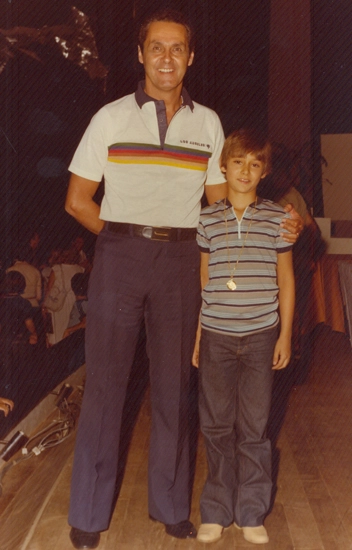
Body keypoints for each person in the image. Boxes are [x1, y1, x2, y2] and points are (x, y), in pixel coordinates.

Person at [65, 10, 302, 550]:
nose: (166, 57)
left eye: (177, 49)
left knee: (175, 389)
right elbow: (77, 201)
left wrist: (277, 219)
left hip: (181, 264)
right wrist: (128, 234)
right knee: (105, 388)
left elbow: (227, 206)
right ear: (141, 55)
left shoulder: (209, 123)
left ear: (190, 58)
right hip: (120, 256)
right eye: (156, 47)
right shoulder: (109, 118)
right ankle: (87, 514)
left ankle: (172, 508)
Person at [192, 129, 295, 545]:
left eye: (255, 163)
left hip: (259, 338)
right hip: (216, 334)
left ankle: (252, 510)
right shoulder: (206, 219)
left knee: (253, 427)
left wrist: (284, 335)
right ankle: (216, 508)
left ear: (264, 171)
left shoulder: (278, 218)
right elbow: (204, 281)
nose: (245, 171)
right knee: (216, 425)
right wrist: (200, 335)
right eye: (238, 162)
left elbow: (286, 282)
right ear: (223, 165)